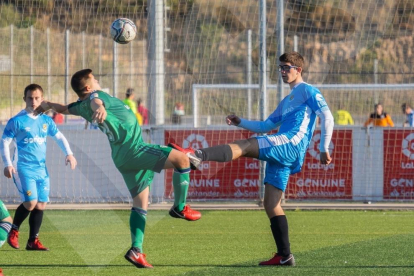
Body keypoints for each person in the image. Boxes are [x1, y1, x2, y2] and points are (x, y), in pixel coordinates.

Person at [170, 52, 334, 266]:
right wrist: (240, 121)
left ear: (298, 70)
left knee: (247, 145)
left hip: (290, 143)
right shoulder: (287, 101)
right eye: (281, 68)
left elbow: (327, 115)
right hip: (285, 150)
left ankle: (198, 156)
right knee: (271, 203)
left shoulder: (307, 90)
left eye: (286, 68)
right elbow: (266, 126)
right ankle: (285, 256)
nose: (283, 72)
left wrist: (323, 147)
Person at [34, 69, 201, 269]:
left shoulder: (80, 106)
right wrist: (101, 108)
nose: (97, 81)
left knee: (141, 204)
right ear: (88, 87)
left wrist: (50, 105)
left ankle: (136, 250)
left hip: (122, 158)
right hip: (135, 150)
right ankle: (180, 207)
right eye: (94, 79)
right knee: (182, 159)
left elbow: (64, 108)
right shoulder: (95, 97)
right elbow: (97, 101)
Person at [0, 84, 77, 251]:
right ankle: (14, 230)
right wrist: (7, 165)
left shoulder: (46, 120)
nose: (33, 101)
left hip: (41, 169)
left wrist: (69, 154)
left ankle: (32, 241)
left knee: (41, 204)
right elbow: (4, 142)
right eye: (30, 98)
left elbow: (59, 137)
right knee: (31, 202)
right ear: (24, 99)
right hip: (23, 168)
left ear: (42, 99)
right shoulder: (17, 120)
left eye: (37, 98)